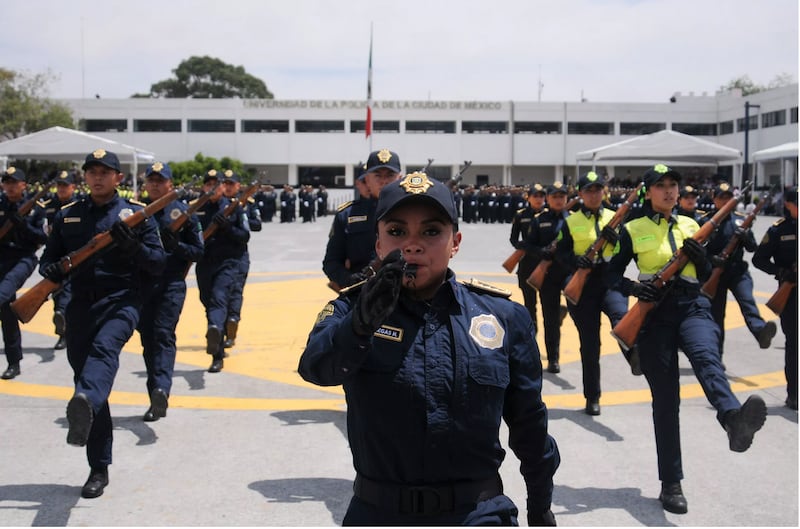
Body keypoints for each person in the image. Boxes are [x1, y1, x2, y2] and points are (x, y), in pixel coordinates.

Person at [299, 172, 560, 526]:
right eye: (396, 231)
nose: (412, 244)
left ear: (456, 242)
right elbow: (317, 368)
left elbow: (529, 423)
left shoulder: (502, 317)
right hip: (380, 513)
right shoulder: (350, 311)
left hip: (477, 513)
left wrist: (541, 507)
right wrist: (359, 326)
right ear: (378, 244)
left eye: (431, 231)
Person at [605, 163, 768, 514]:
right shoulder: (633, 229)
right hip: (653, 314)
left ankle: (732, 419)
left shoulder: (693, 225)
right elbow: (609, 275)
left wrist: (704, 261)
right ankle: (671, 482)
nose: (668, 191)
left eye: (674, 185)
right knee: (666, 401)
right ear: (648, 192)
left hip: (692, 305)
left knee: (709, 360)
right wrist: (635, 287)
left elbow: (708, 272)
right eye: (660, 185)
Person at [39, 149, 166, 498]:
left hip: (122, 302)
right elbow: (49, 260)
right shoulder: (68, 216)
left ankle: (86, 404)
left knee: (104, 351)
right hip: (81, 306)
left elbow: (158, 263)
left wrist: (133, 249)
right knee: (89, 384)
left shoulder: (137, 215)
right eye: (91, 171)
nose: (97, 177)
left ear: (119, 178)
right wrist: (49, 270)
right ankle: (98, 465)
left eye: (105, 171)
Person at [554, 171, 628, 415]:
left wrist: (615, 240)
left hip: (609, 280)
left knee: (623, 321)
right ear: (581, 194)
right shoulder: (570, 221)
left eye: (598, 189)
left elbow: (624, 254)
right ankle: (592, 396)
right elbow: (561, 255)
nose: (594, 194)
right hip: (583, 285)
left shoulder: (615, 217)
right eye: (589, 190)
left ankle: (635, 357)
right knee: (590, 345)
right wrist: (577, 261)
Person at [137, 162, 203, 421]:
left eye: (159, 180)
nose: (154, 184)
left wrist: (176, 246)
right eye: (150, 180)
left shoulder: (184, 213)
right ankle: (154, 392)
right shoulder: (135, 212)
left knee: (163, 334)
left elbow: (198, 252)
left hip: (171, 284)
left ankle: (162, 389)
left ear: (170, 184)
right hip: (141, 285)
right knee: (147, 340)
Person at [701, 182, 776, 353]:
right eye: (722, 198)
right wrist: (712, 260)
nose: (726, 201)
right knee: (716, 317)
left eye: (729, 198)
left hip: (737, 272)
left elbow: (752, 248)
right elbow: (698, 251)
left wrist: (746, 236)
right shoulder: (706, 221)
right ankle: (716, 357)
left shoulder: (740, 220)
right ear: (714, 199)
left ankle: (760, 330)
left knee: (747, 302)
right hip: (715, 274)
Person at [195, 169, 250, 372]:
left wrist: (227, 227)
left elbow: (245, 236)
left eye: (215, 185)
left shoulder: (233, 207)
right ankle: (218, 329)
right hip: (204, 264)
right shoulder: (196, 209)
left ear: (222, 187)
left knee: (219, 300)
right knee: (208, 303)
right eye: (208, 185)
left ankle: (216, 350)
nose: (212, 188)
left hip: (228, 263)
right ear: (204, 187)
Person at [322, 149, 401, 291]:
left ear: (400, 178)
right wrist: (349, 279)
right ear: (367, 180)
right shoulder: (346, 215)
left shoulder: (411, 213)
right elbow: (331, 262)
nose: (384, 181)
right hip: (361, 295)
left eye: (390, 175)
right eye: (377, 175)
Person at [752, 186, 797, 410]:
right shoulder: (778, 230)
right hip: (791, 295)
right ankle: (794, 394)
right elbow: (759, 260)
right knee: (795, 345)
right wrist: (781, 272)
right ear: (788, 205)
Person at [0, 167, 47, 379]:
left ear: (23, 185)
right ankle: (14, 361)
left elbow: (43, 238)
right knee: (6, 309)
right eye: (6, 182)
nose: (9, 186)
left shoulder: (36, 208)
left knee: (3, 293)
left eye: (14, 182)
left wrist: (24, 226)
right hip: (1, 257)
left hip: (22, 258)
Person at [523, 182, 571, 373]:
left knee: (579, 308)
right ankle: (553, 358)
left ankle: (563, 309)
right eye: (555, 196)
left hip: (569, 274)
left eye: (562, 196)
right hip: (547, 275)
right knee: (549, 319)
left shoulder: (574, 220)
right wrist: (541, 252)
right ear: (548, 199)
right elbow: (528, 244)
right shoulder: (539, 219)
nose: (559, 200)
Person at [41, 170, 80, 350]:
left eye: (65, 186)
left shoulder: (81, 206)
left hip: (76, 254)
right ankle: (62, 333)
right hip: (55, 253)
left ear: (73, 187)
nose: (62, 189)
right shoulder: (48, 206)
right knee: (57, 291)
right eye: (60, 186)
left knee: (69, 292)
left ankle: (65, 319)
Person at [221, 171, 260, 349]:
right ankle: (220, 328)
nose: (228, 187)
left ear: (238, 186)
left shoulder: (246, 203)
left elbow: (257, 225)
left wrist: (240, 215)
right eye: (225, 183)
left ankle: (232, 322)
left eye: (232, 183)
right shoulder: (215, 204)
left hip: (238, 255)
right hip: (217, 257)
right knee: (217, 296)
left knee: (235, 291)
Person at [509, 184, 546, 334]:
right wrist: (522, 247)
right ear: (528, 198)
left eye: (541, 196)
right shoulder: (521, 215)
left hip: (545, 262)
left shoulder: (549, 215)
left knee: (548, 303)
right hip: (527, 262)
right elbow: (513, 239)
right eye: (535, 196)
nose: (538, 199)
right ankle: (533, 334)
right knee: (530, 303)